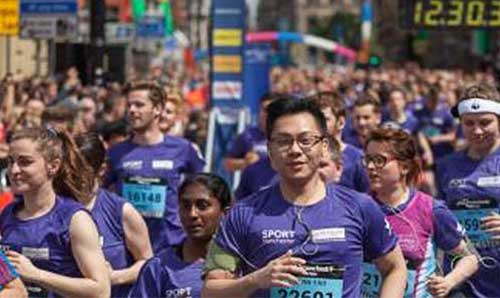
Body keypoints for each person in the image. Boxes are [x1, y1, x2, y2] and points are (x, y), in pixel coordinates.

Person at [203, 97, 407, 297]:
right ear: (270, 151)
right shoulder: (242, 214)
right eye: (283, 141)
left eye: (305, 140)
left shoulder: (360, 207)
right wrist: (256, 280)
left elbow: (395, 268)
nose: (295, 150)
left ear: (324, 146)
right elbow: (211, 291)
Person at [362, 127, 478, 298]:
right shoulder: (356, 207)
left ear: (405, 167)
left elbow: (470, 258)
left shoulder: (430, 209)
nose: (371, 167)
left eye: (379, 160)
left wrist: (448, 282)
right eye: (368, 159)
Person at [0, 127, 110, 297]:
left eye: (25, 162)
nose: (14, 170)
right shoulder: (8, 213)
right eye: (10, 161)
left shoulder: (75, 219)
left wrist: (37, 275)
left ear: (53, 166)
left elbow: (101, 290)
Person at [105, 80, 205, 253]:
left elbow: (203, 187)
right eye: (129, 105)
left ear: (157, 109)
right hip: (128, 247)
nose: (132, 110)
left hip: (171, 244)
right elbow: (101, 194)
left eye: (139, 105)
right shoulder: (116, 153)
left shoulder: (182, 149)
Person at [436, 83, 500, 297]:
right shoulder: (447, 165)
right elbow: (438, 216)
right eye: (469, 123)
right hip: (459, 275)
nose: (477, 130)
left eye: (485, 122)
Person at [75, 132, 153, 297]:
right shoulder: (56, 208)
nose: (72, 176)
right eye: (68, 169)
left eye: (81, 170)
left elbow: (148, 262)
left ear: (101, 169)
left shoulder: (122, 211)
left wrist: (115, 277)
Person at [130, 173, 231, 297]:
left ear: (225, 213)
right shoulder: (158, 268)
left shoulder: (242, 267)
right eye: (186, 206)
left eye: (202, 206)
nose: (192, 214)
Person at [310, 91, 369, 192]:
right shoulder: (306, 156)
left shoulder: (357, 159)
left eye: (324, 120)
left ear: (341, 122)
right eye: (314, 120)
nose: (317, 125)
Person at [224, 93, 279, 172]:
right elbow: (227, 163)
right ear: (259, 111)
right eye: (265, 110)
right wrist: (245, 163)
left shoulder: (287, 135)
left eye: (273, 110)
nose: (268, 114)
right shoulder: (247, 135)